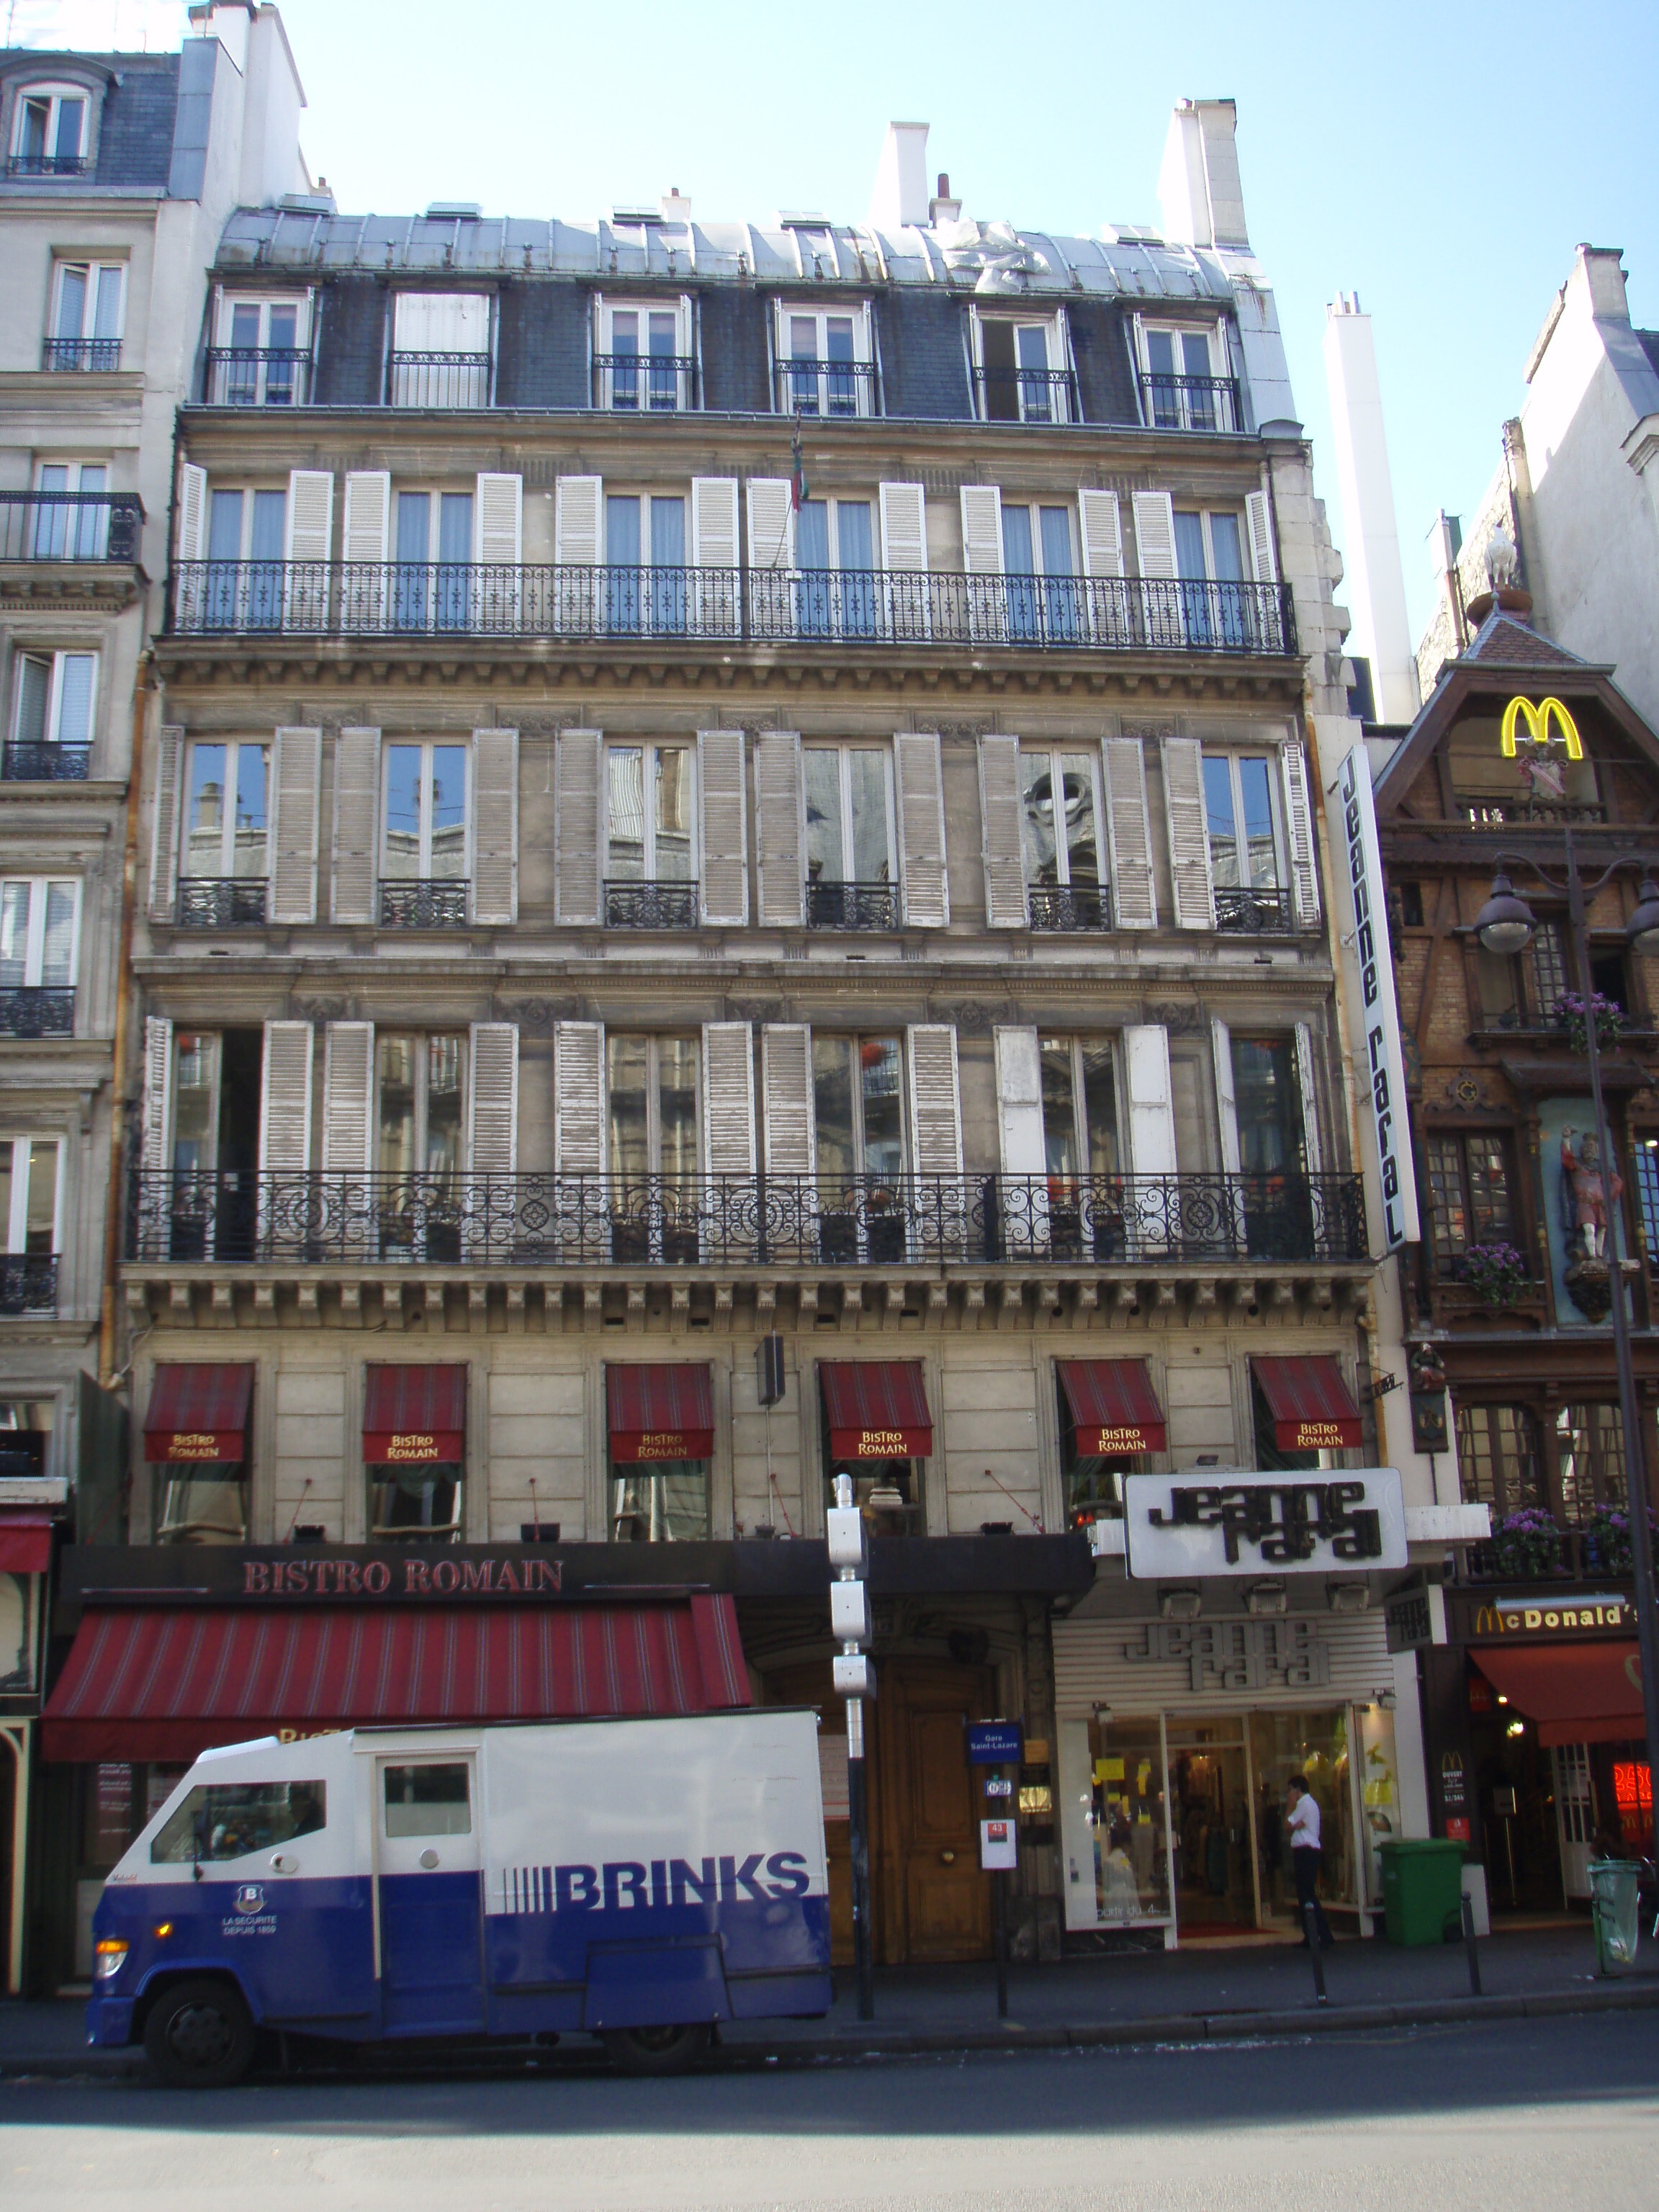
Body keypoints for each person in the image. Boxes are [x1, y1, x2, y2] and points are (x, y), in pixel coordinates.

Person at [1287, 1778, 1333, 1948]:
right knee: (1304, 1893)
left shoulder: (1305, 1804)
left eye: (1290, 1789)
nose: (1289, 1794)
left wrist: (1289, 1806)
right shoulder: (1308, 1805)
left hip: (1307, 1851)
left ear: (1297, 1789)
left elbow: (1287, 1824)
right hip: (1304, 1851)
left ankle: (1322, 1933)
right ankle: (1312, 1934)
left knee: (1307, 1894)